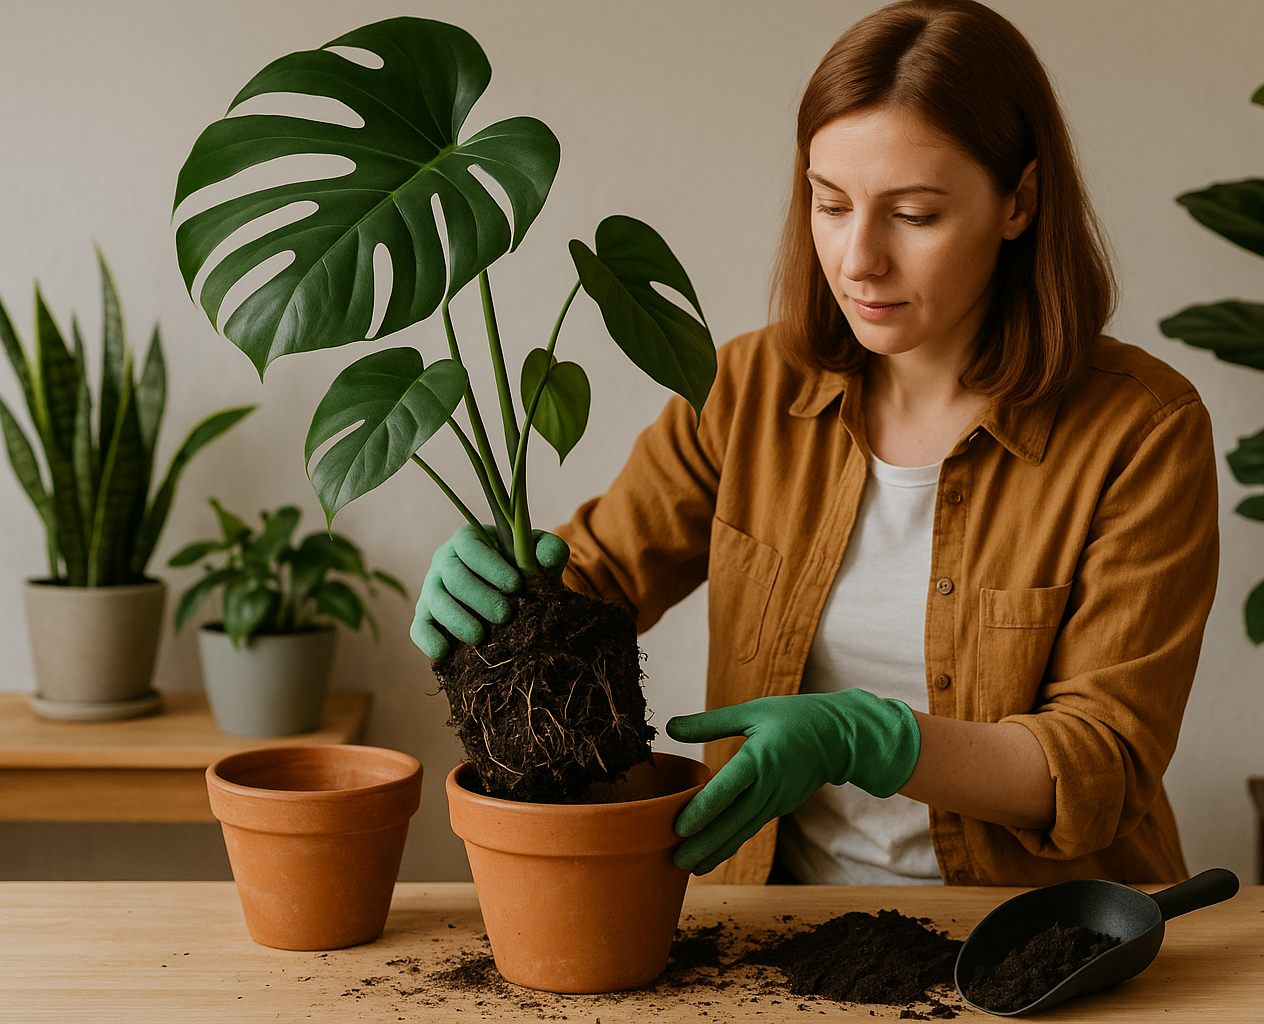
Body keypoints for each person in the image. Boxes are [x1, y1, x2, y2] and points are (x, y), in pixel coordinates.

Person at [412, 0, 1218, 887]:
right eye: (830, 204)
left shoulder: (1142, 431)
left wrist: (864, 738)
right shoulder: (747, 391)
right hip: (776, 926)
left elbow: (1103, 762)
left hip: (1034, 930)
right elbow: (597, 583)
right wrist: (497, 597)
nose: (858, 258)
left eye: (914, 215)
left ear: (1019, 202)